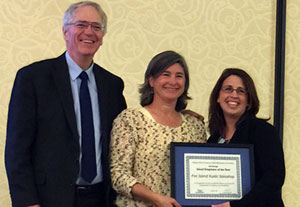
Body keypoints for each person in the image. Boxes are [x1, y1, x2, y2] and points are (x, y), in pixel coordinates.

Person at [5, 1, 126, 207]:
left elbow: (126, 135)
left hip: (101, 198)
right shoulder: (33, 78)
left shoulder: (112, 85)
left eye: (96, 27)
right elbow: (17, 149)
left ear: (102, 37)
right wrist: (27, 201)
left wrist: (177, 112)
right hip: (49, 198)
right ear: (65, 32)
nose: (89, 32)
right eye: (81, 24)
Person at [110, 50, 207, 207]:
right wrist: (156, 198)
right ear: (151, 80)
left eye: (179, 76)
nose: (173, 81)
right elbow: (118, 175)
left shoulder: (195, 126)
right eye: (166, 74)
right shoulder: (131, 119)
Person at [207, 68, 285, 207]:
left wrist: (235, 205)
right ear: (218, 97)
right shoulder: (214, 139)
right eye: (228, 89)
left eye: (241, 91)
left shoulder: (263, 131)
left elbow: (274, 178)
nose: (234, 95)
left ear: (249, 101)